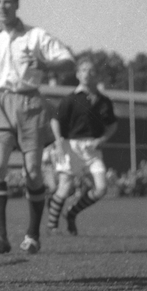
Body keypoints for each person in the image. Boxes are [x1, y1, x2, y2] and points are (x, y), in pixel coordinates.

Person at [0, 0, 74, 256]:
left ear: (17, 5)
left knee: (32, 172)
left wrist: (44, 65)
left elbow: (69, 62)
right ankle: (0, 237)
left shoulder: (35, 36)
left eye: (7, 2)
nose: (2, 7)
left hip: (29, 102)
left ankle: (32, 234)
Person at [46, 56, 117, 234]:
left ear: (96, 75)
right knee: (64, 187)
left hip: (92, 149)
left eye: (91, 71)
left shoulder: (104, 101)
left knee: (101, 188)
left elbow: (112, 124)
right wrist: (59, 142)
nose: (87, 74)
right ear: (78, 75)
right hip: (71, 146)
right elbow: (55, 120)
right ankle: (52, 226)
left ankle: (71, 213)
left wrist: (102, 139)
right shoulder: (71, 99)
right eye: (84, 70)